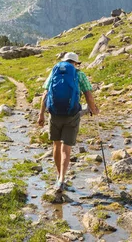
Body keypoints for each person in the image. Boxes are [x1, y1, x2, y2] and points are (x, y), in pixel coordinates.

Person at [37, 52, 99, 192]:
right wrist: (93, 109)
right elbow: (88, 94)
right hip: (72, 115)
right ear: (76, 63)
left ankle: (58, 176)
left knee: (56, 145)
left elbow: (45, 94)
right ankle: (61, 180)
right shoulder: (79, 74)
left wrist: (41, 114)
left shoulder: (55, 71)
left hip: (54, 114)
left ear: (64, 61)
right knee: (66, 149)